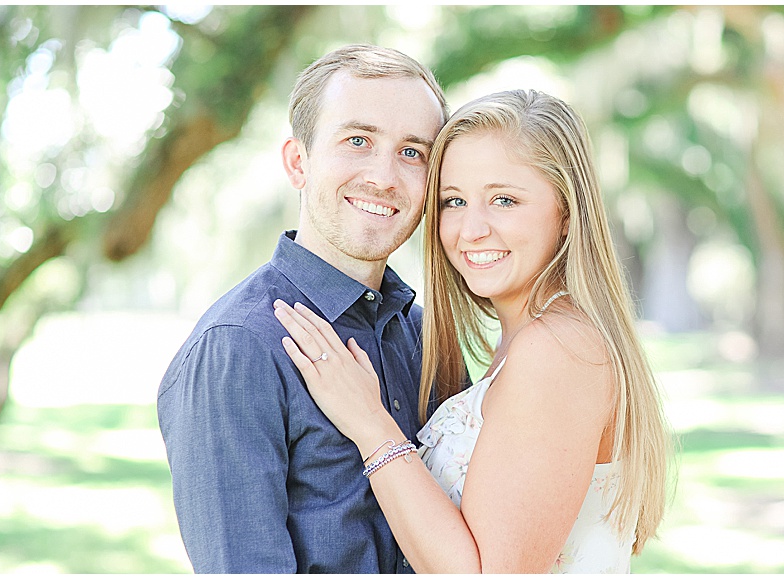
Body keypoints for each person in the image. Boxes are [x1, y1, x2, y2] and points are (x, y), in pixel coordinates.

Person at [274, 89, 671, 573]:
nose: (471, 229)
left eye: (504, 200)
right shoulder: (524, 341)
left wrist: (369, 425)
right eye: (454, 201)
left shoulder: (558, 350)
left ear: (566, 213)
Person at [156, 44, 448, 573]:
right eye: (358, 141)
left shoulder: (426, 337)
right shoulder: (238, 346)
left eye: (412, 152)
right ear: (298, 161)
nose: (384, 177)